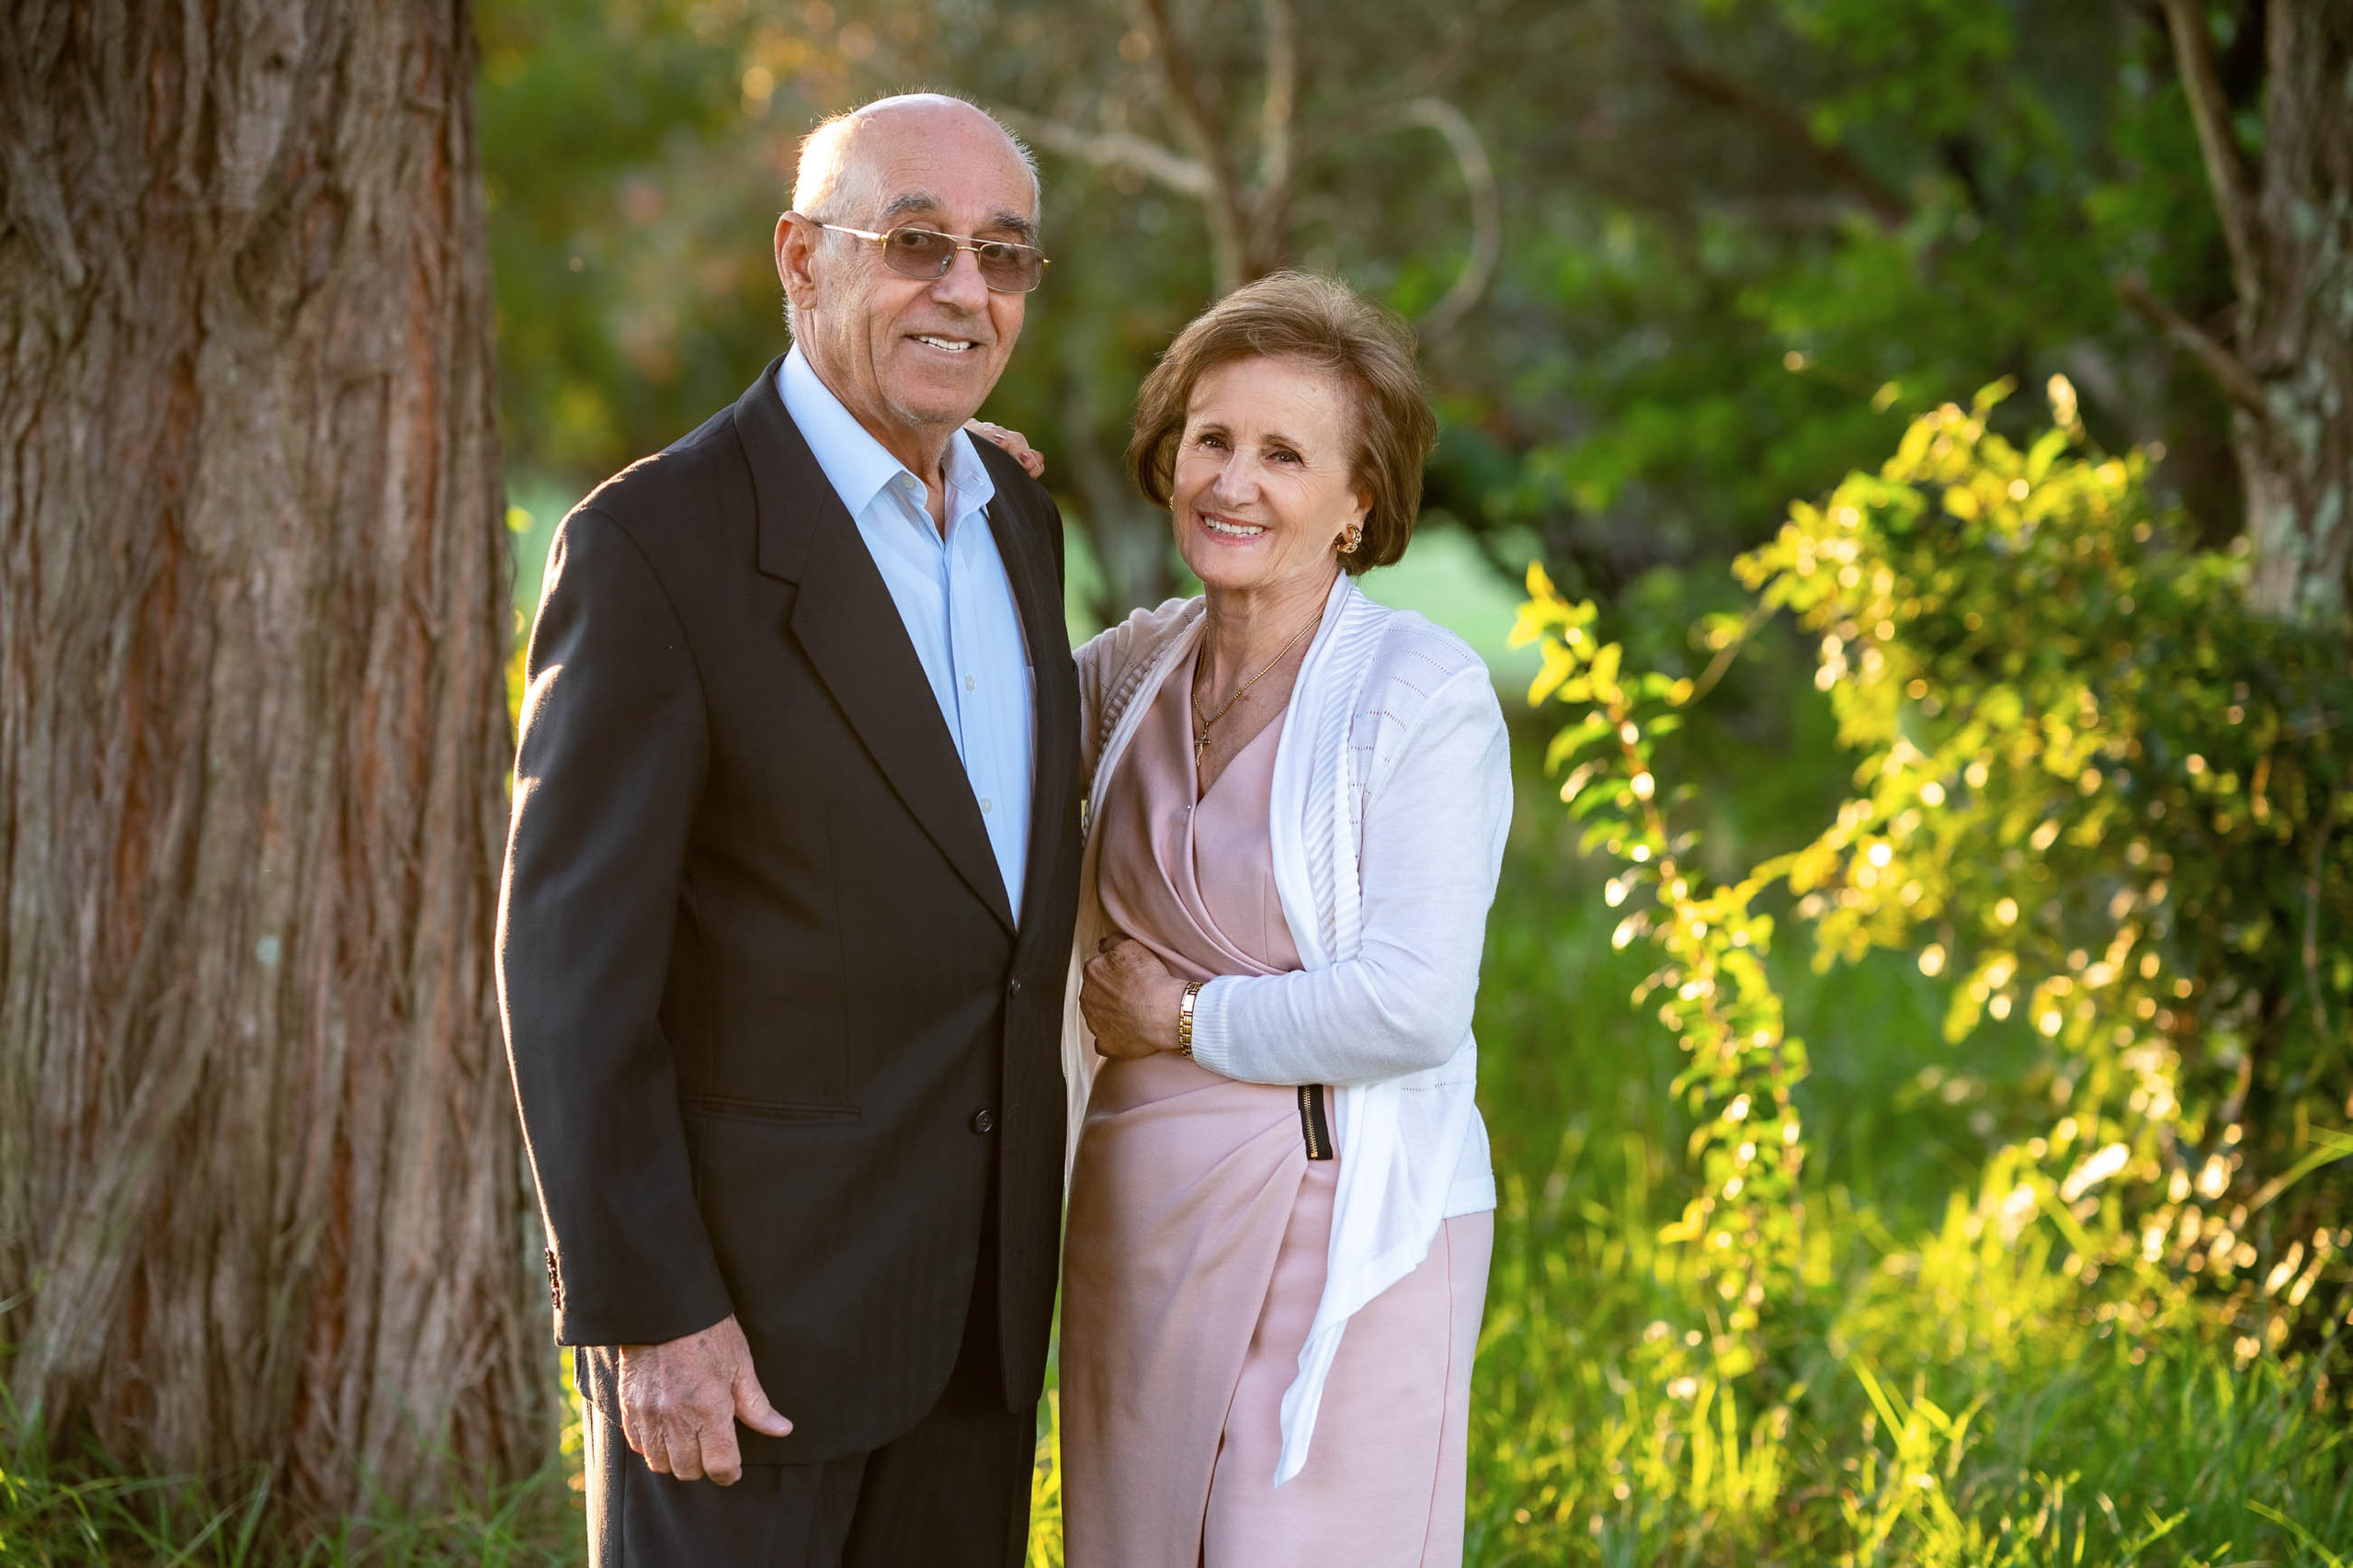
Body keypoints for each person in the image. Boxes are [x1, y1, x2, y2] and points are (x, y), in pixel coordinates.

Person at [496, 95, 1080, 1568]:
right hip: (740, 1341)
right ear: (801, 256)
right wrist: (652, 1310)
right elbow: (570, 977)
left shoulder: (1018, 521)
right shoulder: (653, 548)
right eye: (916, 243)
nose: (965, 289)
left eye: (1003, 255)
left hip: (976, 1331)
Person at [1056, 272, 1513, 1566]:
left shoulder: (1421, 694)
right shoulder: (1130, 671)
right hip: (1137, 1214)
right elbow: (958, 738)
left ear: (1359, 502)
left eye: (1283, 454)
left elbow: (1413, 1006)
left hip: (1344, 1216)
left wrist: (1184, 1017)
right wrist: (956, 487)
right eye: (1212, 438)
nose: (1233, 482)